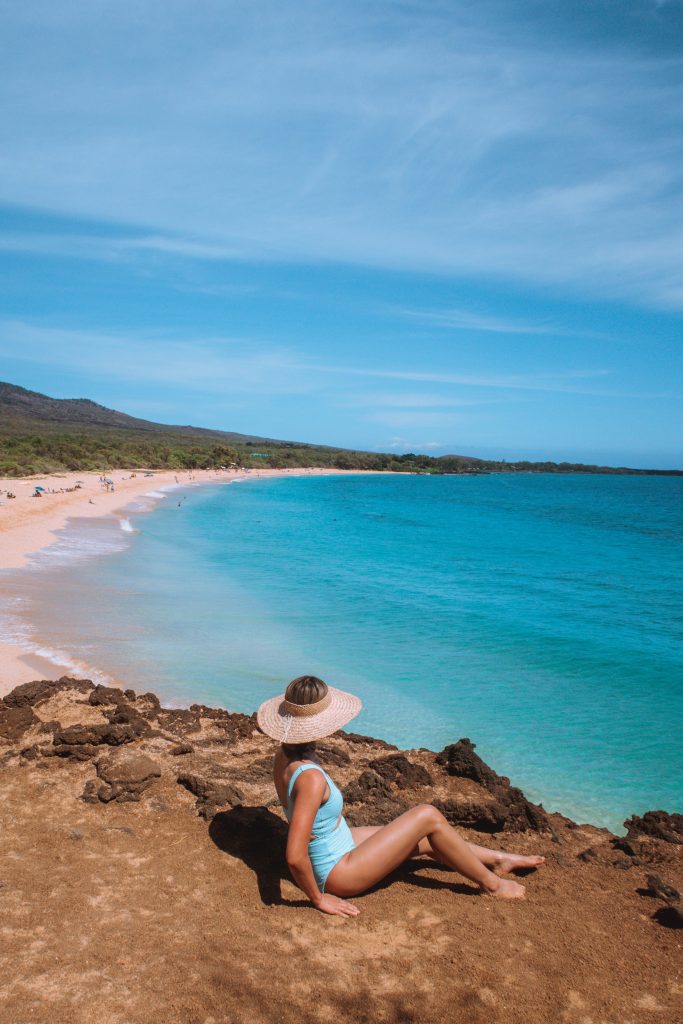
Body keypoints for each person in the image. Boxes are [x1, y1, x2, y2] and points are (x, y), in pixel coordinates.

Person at [257, 676, 545, 918]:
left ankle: (497, 859)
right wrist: (319, 899)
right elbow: (295, 855)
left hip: (335, 844)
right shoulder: (310, 777)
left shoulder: (283, 755)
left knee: (421, 837)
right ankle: (492, 885)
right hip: (336, 872)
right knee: (427, 815)